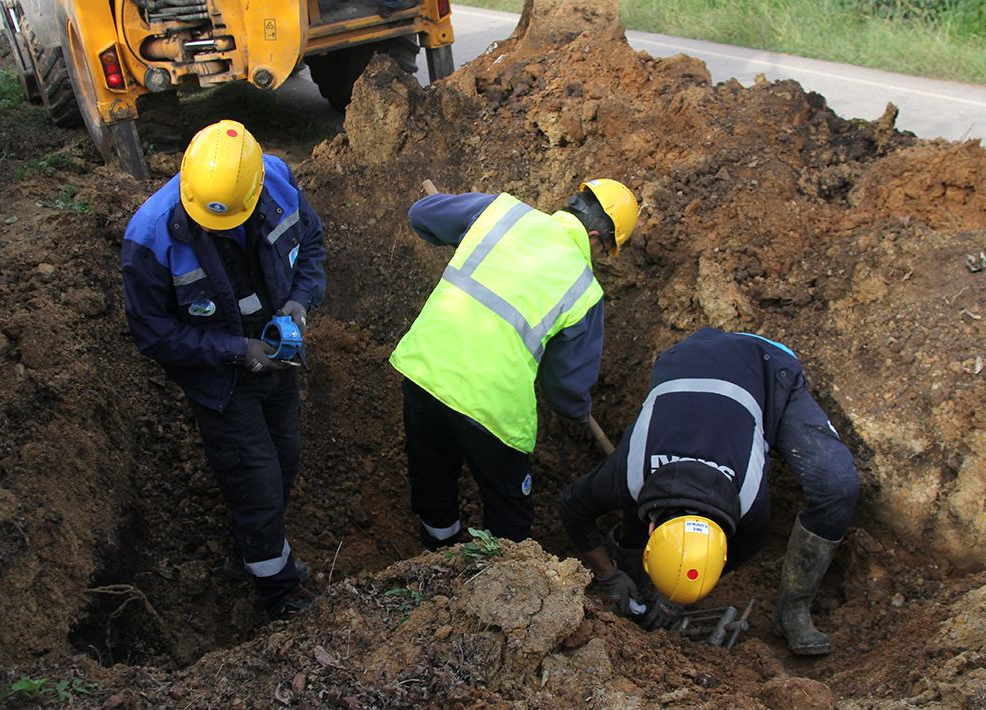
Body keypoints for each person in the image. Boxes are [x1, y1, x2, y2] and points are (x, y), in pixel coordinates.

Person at [121, 120, 327, 620]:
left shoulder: (275, 180)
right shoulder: (150, 236)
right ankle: (277, 594)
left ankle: (253, 547)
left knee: (284, 462)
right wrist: (237, 349)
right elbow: (153, 333)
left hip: (277, 358)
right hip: (221, 380)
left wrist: (299, 302)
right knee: (254, 480)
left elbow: (313, 247)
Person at [558, 327, 860, 656]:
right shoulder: (626, 470)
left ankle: (793, 609)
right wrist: (608, 575)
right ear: (652, 528)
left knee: (837, 485)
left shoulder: (753, 507)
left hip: (766, 367)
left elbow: (736, 553)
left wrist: (678, 596)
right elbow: (572, 506)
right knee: (633, 506)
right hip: (684, 360)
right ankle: (635, 565)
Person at [389, 179, 639, 549]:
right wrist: (577, 409)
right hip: (491, 404)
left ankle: (437, 552)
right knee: (509, 509)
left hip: (425, 369)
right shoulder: (584, 288)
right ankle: (498, 584)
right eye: (604, 250)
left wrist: (465, 232)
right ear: (592, 235)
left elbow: (421, 215)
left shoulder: (502, 212)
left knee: (433, 473)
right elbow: (565, 386)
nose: (599, 258)